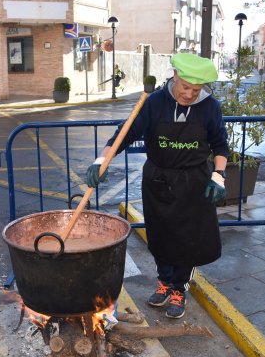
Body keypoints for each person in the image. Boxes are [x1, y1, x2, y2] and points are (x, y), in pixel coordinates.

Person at [86, 53, 229, 319]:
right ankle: (164, 281)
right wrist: (101, 161)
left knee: (187, 240)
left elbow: (220, 144)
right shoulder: (154, 103)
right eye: (185, 87)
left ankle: (178, 289)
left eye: (196, 90)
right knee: (160, 235)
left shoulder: (210, 107)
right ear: (175, 76)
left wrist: (218, 175)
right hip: (158, 179)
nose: (189, 94)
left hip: (193, 181)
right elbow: (125, 134)